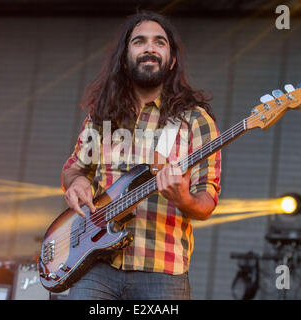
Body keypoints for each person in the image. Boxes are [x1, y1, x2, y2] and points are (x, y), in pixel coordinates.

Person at [61, 11, 221, 300]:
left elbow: (206, 202)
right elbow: (73, 168)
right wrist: (76, 182)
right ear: (125, 57)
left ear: (171, 60)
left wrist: (183, 198)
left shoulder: (195, 121)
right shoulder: (101, 116)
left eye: (160, 42)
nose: (150, 48)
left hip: (161, 272)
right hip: (95, 264)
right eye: (139, 42)